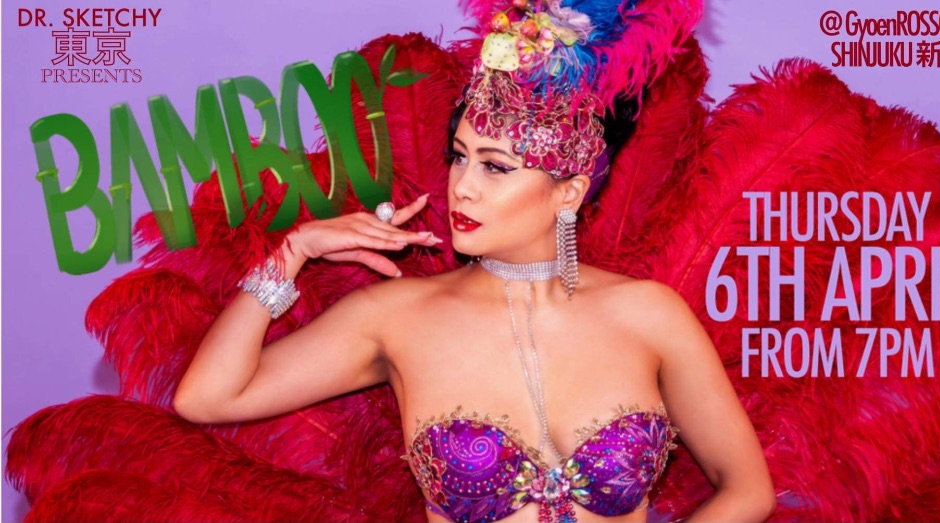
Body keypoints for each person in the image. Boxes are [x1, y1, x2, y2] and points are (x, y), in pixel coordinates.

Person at [173, 2, 775, 521]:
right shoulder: (395, 318)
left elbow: (748, 490)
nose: (462, 187)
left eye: (494, 167)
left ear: (569, 191)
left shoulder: (649, 315)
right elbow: (208, 398)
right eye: (459, 157)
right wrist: (294, 250)